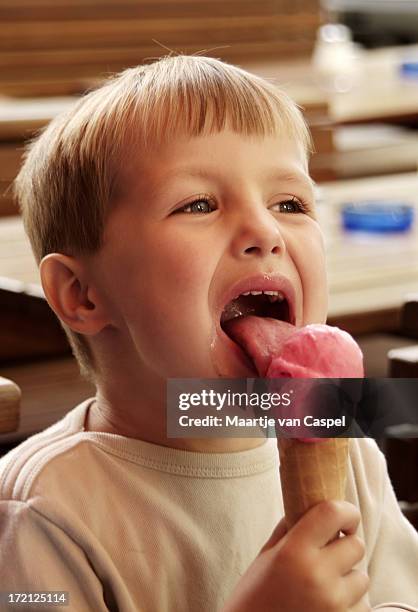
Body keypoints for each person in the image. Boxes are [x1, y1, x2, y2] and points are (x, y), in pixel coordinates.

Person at [0, 54, 417, 612]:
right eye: (199, 204)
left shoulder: (348, 450)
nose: (265, 231)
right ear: (82, 294)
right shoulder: (44, 513)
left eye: (289, 203)